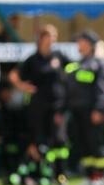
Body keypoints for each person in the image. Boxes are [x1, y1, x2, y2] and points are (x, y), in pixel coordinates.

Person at [7, 24, 66, 166]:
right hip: (38, 105)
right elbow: (13, 75)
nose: (52, 40)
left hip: (56, 105)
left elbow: (73, 69)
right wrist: (22, 86)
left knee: (58, 139)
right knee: (38, 138)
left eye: (54, 37)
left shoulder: (58, 56)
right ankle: (40, 171)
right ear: (41, 38)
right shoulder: (33, 59)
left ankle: (58, 173)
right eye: (49, 36)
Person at [63, 29, 104, 185]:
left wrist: (99, 109)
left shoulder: (100, 64)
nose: (78, 44)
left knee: (96, 145)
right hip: (78, 112)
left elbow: (103, 89)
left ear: (90, 44)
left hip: (93, 112)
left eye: (82, 41)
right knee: (84, 145)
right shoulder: (78, 64)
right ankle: (91, 177)